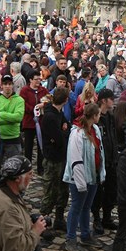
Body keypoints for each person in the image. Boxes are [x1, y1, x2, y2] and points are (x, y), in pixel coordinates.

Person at [0, 156, 46, 251]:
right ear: (18, 178)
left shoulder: (5, 192)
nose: (32, 177)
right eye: (29, 174)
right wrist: (36, 231)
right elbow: (15, 248)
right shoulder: (6, 206)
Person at [62, 104, 105, 251]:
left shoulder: (96, 130)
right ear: (94, 116)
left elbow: (100, 151)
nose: (100, 117)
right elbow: (75, 158)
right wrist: (80, 182)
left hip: (92, 176)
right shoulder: (77, 133)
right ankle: (71, 238)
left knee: (86, 207)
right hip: (79, 178)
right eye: (98, 114)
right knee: (76, 207)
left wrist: (101, 172)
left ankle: (86, 234)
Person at [40, 87, 70, 232]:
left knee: (63, 190)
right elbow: (59, 139)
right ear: (65, 100)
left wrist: (64, 130)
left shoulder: (59, 113)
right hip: (52, 158)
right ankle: (44, 224)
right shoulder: (50, 116)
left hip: (62, 157)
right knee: (50, 191)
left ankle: (59, 218)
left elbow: (67, 126)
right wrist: (63, 132)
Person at [92, 89, 120, 235]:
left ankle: (107, 217)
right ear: (104, 100)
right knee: (98, 192)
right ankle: (96, 218)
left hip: (112, 160)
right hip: (100, 161)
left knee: (111, 191)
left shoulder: (110, 116)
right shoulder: (96, 117)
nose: (113, 101)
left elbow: (113, 137)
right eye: (111, 99)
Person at [0, 74, 25, 187]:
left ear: (13, 85)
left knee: (15, 167)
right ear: (1, 85)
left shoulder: (19, 100)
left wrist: (1, 114)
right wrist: (9, 117)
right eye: (5, 84)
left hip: (13, 139)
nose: (7, 86)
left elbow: (18, 117)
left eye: (9, 84)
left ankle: (12, 189)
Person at [20, 69, 49, 175]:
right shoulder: (24, 90)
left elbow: (49, 100)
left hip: (41, 122)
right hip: (29, 122)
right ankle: (27, 167)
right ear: (30, 80)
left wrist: (43, 105)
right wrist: (34, 109)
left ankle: (40, 167)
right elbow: (23, 103)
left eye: (39, 79)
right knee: (28, 146)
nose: (38, 81)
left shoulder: (43, 90)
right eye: (36, 79)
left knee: (41, 145)